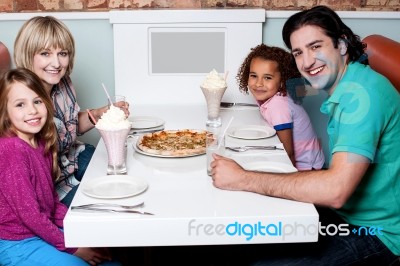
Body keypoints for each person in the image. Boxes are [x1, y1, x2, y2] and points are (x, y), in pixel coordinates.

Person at [211, 5, 399, 265]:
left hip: (378, 234)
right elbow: (291, 90)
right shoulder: (349, 83)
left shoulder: (362, 99)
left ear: (342, 45)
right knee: (237, 238)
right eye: (298, 52)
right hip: (346, 214)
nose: (307, 61)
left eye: (316, 47)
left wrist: (242, 178)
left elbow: (336, 191)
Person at [0, 68, 120, 266]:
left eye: (37, 101)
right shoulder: (12, 150)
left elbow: (51, 202)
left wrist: (78, 228)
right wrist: (73, 247)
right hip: (17, 242)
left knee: (107, 260)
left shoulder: (41, 143)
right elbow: (30, 215)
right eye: (20, 104)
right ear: (5, 112)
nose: (32, 110)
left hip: (39, 230)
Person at [13, 16, 130, 207]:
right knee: (101, 205)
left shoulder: (64, 82)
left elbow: (71, 127)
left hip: (73, 157)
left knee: (119, 172)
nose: (56, 63)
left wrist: (102, 113)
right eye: (45, 53)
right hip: (51, 182)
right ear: (28, 54)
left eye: (62, 53)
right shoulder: (22, 101)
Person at [236, 44, 324, 170]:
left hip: (306, 167)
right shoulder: (269, 97)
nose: (258, 83)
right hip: (307, 161)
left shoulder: (278, 105)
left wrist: (289, 180)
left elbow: (287, 152)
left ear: (282, 80)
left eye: (267, 77)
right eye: (254, 76)